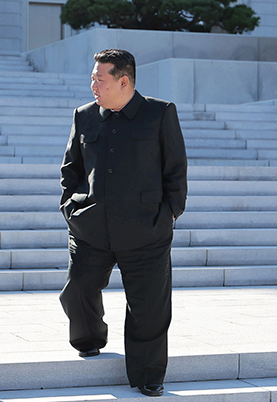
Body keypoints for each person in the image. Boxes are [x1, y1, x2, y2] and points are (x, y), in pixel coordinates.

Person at [58, 49, 187, 397]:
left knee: (149, 307)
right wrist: (71, 207)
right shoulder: (84, 116)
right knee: (78, 289)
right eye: (93, 78)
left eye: (100, 79)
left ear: (123, 81)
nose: (93, 85)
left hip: (146, 229)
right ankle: (89, 338)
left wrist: (170, 212)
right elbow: (71, 169)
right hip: (92, 227)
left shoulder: (160, 114)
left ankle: (148, 374)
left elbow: (175, 170)